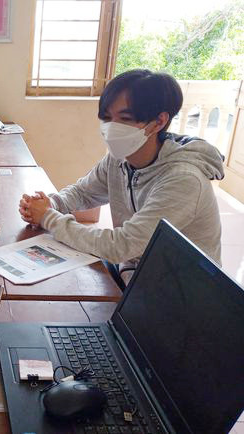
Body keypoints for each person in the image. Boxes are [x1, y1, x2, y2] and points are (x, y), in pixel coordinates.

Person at [19, 69, 223, 287]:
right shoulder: (119, 158)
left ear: (158, 122)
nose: (111, 128)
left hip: (179, 292)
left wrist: (48, 217)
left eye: (124, 119)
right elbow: (83, 192)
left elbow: (121, 246)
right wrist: (52, 204)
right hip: (135, 271)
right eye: (107, 118)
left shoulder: (183, 180)